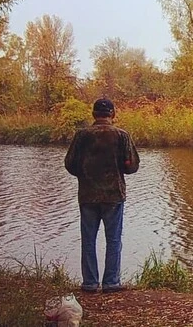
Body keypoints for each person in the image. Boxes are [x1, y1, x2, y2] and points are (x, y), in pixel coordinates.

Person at [64, 98, 140, 293]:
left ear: (93, 114)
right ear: (113, 114)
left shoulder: (81, 136)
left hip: (87, 195)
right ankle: (111, 282)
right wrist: (119, 167)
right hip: (114, 195)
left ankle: (90, 283)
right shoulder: (122, 135)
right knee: (113, 239)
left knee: (88, 239)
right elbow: (132, 166)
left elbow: (70, 164)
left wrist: (85, 174)